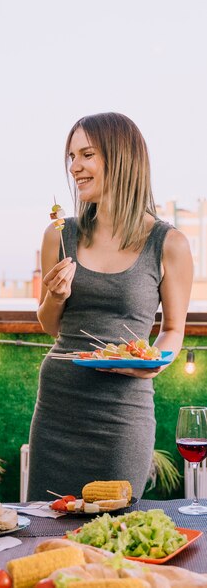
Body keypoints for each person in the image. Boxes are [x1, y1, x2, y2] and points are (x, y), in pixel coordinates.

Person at [27, 112, 193, 501]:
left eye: (87, 154)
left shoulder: (170, 244)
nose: (75, 167)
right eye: (71, 156)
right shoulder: (59, 235)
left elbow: (173, 329)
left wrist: (153, 362)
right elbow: (50, 326)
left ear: (121, 158)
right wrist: (56, 296)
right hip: (57, 405)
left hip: (123, 410)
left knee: (116, 529)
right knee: (47, 526)